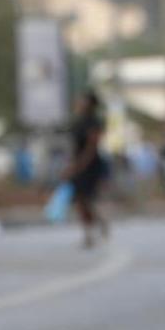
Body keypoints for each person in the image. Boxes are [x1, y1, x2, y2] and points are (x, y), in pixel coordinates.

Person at [64, 91, 109, 248]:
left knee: (87, 199)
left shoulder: (93, 122)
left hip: (90, 165)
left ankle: (93, 229)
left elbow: (92, 147)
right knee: (80, 201)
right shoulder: (77, 121)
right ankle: (90, 231)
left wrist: (79, 165)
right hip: (78, 163)